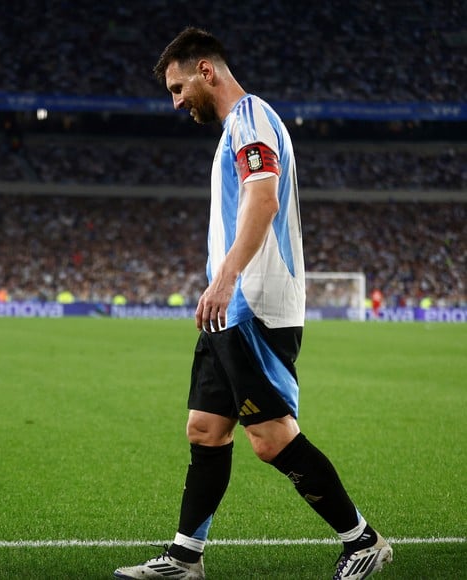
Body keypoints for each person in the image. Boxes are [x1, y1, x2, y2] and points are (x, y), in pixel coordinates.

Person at [113, 27, 392, 580]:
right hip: (231, 307)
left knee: (270, 439)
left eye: (177, 86)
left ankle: (363, 541)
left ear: (205, 71)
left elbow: (262, 200)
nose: (176, 101)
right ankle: (185, 559)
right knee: (204, 429)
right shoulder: (234, 131)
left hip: (254, 306)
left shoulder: (251, 119)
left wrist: (225, 278)